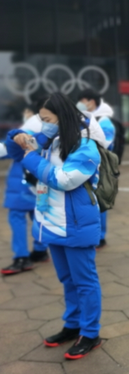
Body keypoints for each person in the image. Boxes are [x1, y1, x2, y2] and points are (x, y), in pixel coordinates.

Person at [5, 93, 107, 359]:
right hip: (52, 223)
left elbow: (63, 179)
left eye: (47, 119)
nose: (43, 125)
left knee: (84, 282)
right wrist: (16, 135)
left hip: (75, 226)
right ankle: (72, 326)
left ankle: (90, 332)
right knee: (67, 279)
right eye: (41, 120)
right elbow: (17, 152)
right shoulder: (52, 141)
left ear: (62, 117)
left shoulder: (86, 146)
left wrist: (31, 157)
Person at [1, 101, 49, 275]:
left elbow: (4, 150)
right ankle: (40, 250)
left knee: (16, 217)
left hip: (22, 185)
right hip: (41, 184)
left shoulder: (27, 132)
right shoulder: (49, 130)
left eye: (27, 111)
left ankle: (21, 257)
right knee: (39, 217)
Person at [76, 89, 114, 248]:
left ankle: (100, 236)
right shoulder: (86, 118)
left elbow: (105, 144)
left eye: (82, 100)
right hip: (89, 164)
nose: (80, 104)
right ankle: (95, 234)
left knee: (100, 198)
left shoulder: (104, 121)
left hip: (101, 166)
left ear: (91, 101)